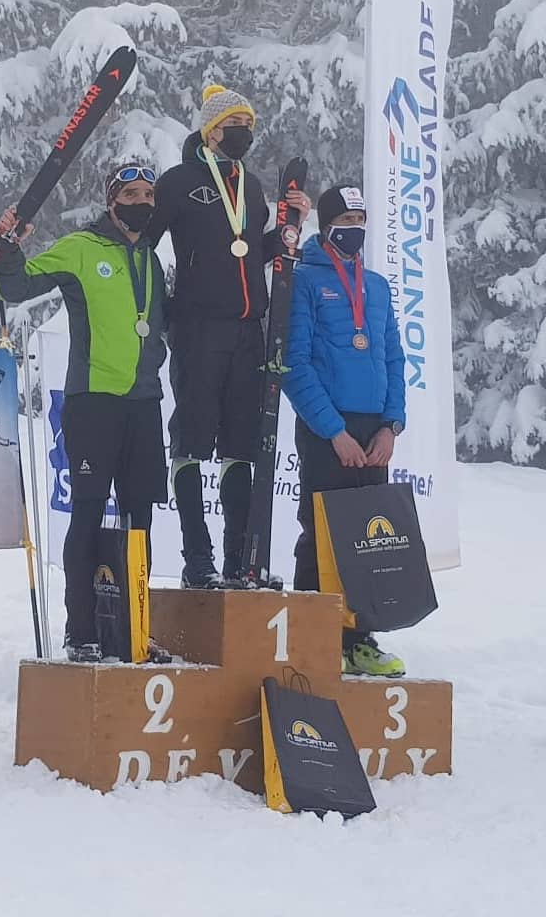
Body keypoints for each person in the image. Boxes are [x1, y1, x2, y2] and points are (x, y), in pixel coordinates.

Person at [0, 164, 170, 662]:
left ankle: (136, 628)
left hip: (143, 404)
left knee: (141, 520)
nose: (142, 202)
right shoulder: (81, 248)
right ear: (112, 201)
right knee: (89, 515)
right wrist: (8, 245)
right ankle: (82, 632)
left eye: (148, 195)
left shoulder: (150, 259)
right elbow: (17, 287)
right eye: (131, 194)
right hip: (93, 403)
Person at [148, 85, 310, 588]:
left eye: (249, 126)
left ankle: (241, 558)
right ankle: (197, 558)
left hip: (247, 329)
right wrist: (156, 310)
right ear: (210, 130)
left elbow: (253, 250)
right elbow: (142, 243)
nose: (244, 134)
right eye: (234, 125)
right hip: (197, 328)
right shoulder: (179, 182)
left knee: (241, 445)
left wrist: (289, 223)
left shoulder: (253, 185)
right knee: (193, 441)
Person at [282, 185, 407, 677]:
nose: (355, 230)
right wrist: (333, 431)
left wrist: (392, 425)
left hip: (374, 429)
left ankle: (360, 640)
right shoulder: (304, 280)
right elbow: (294, 364)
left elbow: (394, 358)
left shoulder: (376, 286)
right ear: (326, 225)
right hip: (326, 428)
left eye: (361, 220)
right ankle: (314, 641)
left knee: (368, 542)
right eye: (346, 220)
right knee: (320, 537)